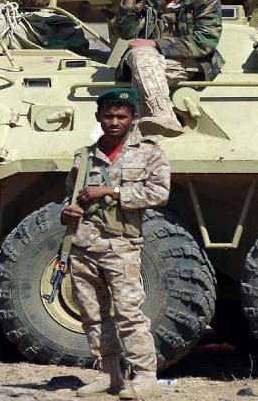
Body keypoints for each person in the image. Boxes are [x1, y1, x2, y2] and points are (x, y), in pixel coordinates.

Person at [60, 89, 170, 399]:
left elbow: (159, 193)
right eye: (108, 116)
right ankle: (109, 374)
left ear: (133, 118)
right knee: (92, 314)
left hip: (121, 245)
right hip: (83, 244)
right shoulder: (84, 157)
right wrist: (66, 211)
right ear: (99, 117)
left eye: (121, 116)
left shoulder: (148, 152)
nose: (114, 122)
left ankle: (145, 377)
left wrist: (111, 192)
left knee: (129, 313)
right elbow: (70, 195)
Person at [109, 0, 222, 137]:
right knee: (141, 56)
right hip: (145, 62)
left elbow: (206, 41)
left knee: (142, 61)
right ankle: (162, 118)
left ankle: (151, 124)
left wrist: (155, 44)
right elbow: (124, 31)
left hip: (189, 64)